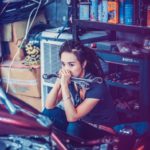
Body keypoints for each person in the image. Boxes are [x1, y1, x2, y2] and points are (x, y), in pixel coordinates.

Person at [42, 40, 119, 132]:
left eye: (71, 65)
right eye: (63, 64)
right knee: (48, 114)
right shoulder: (71, 79)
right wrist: (59, 82)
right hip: (83, 123)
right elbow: (49, 106)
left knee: (74, 126)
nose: (66, 69)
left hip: (102, 129)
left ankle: (70, 145)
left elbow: (72, 118)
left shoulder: (97, 85)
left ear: (83, 64)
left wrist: (64, 86)